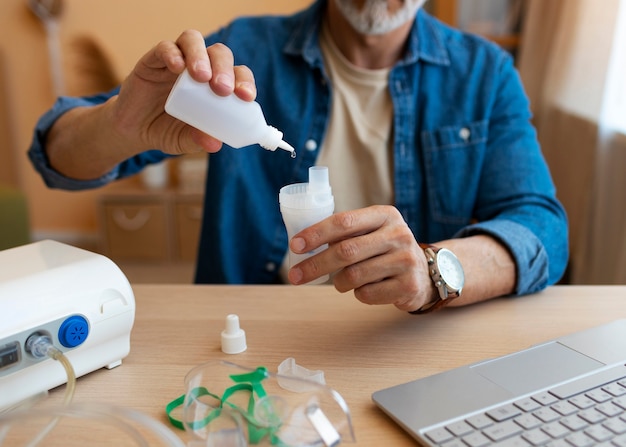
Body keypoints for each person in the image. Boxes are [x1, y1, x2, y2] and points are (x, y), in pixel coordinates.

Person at [28, 0, 568, 313]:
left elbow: (544, 229)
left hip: (397, 337)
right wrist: (122, 123)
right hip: (248, 335)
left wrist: (436, 270)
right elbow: (58, 158)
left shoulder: (484, 74)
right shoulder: (247, 48)